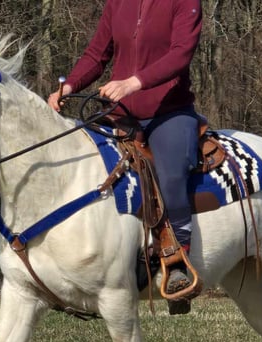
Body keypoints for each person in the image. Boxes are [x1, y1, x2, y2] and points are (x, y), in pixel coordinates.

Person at [48, 0, 203, 295]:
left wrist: (134, 82)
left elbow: (181, 55)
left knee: (171, 174)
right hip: (119, 113)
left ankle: (177, 259)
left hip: (169, 112)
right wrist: (68, 86)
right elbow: (97, 54)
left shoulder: (185, 2)